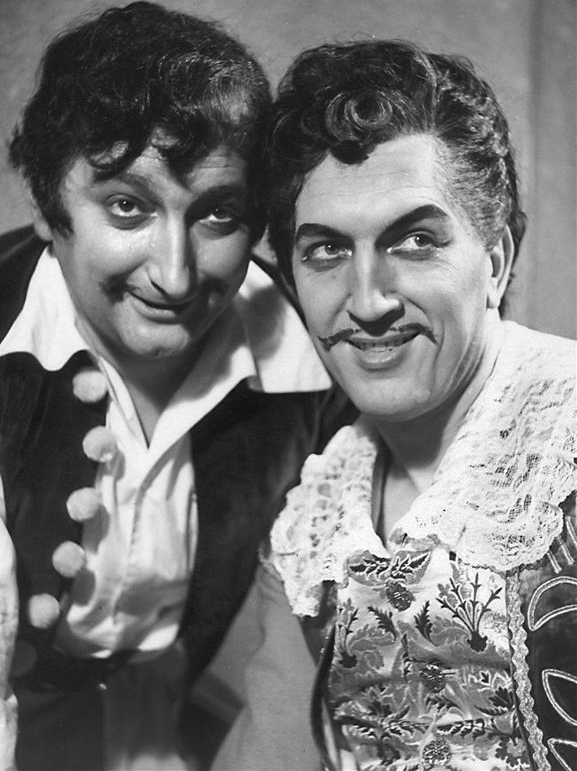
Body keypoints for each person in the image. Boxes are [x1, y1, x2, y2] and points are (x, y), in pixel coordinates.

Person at [0, 2, 353, 771]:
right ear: (47, 205)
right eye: (127, 206)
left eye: (218, 215)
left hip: (172, 724)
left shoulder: (313, 346)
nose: (173, 275)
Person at [214, 40, 577, 771]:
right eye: (326, 250)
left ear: (496, 259)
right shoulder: (313, 522)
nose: (369, 301)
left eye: (414, 240)